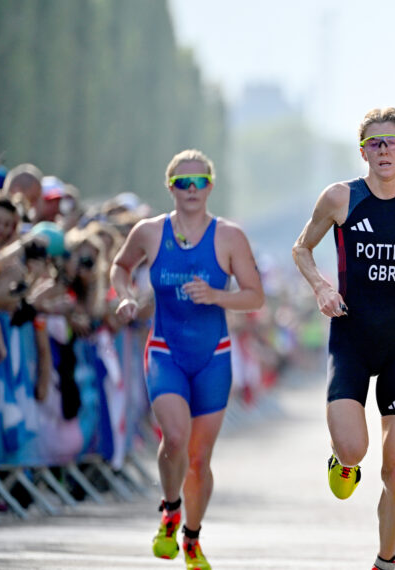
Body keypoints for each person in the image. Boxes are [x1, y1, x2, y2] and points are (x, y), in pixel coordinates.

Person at [291, 107, 395, 570]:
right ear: (363, 151)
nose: (384, 150)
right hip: (351, 337)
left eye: (392, 142)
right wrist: (322, 287)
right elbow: (302, 247)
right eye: (374, 143)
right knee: (354, 450)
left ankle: (385, 560)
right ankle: (342, 460)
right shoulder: (340, 198)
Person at [110, 149, 264, 570]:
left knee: (198, 459)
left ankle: (192, 539)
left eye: (199, 183)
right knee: (175, 437)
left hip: (213, 356)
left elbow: (255, 296)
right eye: (183, 183)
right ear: (171, 187)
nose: (191, 190)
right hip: (165, 350)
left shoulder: (229, 236)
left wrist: (216, 296)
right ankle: (170, 510)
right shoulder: (149, 232)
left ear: (210, 187)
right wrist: (125, 296)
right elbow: (121, 266)